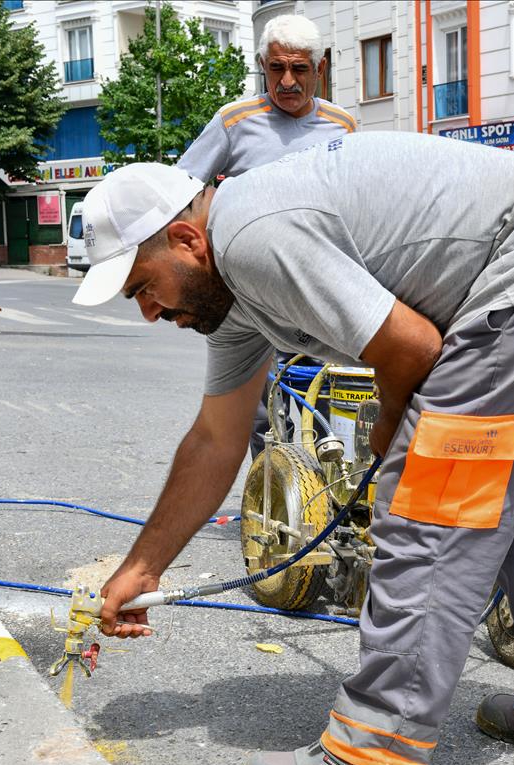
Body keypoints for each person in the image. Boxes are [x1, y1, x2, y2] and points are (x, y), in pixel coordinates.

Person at [75, 131, 514, 765]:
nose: (149, 310)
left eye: (143, 285)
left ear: (188, 241)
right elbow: (216, 439)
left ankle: (380, 744)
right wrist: (145, 563)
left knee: (429, 516)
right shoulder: (229, 297)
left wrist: (396, 420)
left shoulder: (252, 236)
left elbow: (412, 348)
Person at [177, 13, 357, 460]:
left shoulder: (344, 126)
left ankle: (330, 501)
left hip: (326, 284)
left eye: (299, 68)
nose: (288, 80)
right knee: (264, 411)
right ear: (263, 66)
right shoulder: (234, 121)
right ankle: (273, 503)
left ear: (321, 68)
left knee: (333, 396)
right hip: (254, 291)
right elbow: (182, 191)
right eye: (277, 68)